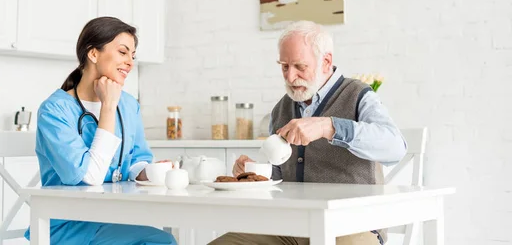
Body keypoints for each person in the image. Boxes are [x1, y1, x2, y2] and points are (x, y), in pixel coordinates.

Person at [211, 21, 407, 245]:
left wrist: (328, 126)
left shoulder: (359, 95)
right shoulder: (281, 109)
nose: (290, 77)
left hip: (353, 226)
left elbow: (395, 148)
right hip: (290, 226)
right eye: (284, 66)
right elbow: (279, 179)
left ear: (326, 62)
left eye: (299, 67)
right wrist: (253, 175)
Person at [25, 17, 176, 245]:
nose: (130, 63)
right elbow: (89, 177)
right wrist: (108, 107)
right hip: (68, 224)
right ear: (93, 54)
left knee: (160, 239)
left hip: (115, 216)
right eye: (123, 52)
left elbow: (136, 158)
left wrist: (148, 171)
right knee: (159, 242)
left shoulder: (128, 105)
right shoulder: (54, 110)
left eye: (132, 56)